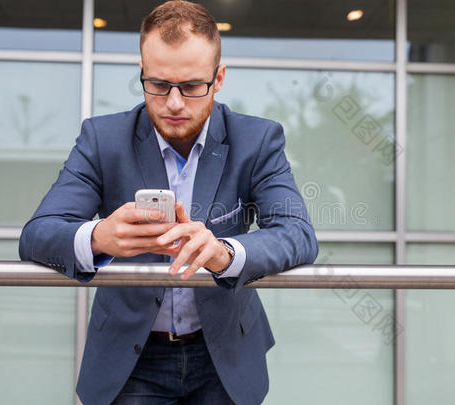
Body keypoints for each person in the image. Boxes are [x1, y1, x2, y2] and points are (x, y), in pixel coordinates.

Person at [18, 1, 318, 404]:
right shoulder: (102, 139)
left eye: (192, 86)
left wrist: (225, 253)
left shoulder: (257, 140)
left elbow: (297, 234)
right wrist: (98, 237)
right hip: (130, 360)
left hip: (224, 356)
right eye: (158, 85)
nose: (174, 103)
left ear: (220, 77)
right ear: (141, 74)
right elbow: (37, 234)